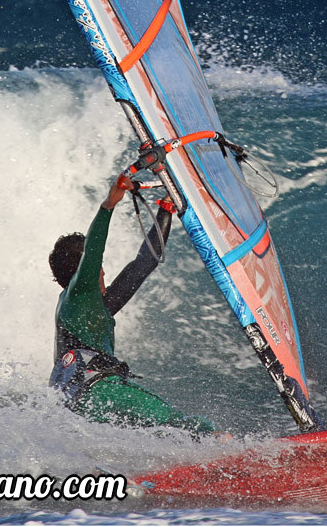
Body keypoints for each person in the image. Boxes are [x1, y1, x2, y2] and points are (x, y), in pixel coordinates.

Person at [47, 174, 216, 435]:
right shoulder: (78, 292)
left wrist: (166, 208)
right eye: (97, 269)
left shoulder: (92, 306)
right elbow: (93, 252)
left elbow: (145, 262)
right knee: (186, 426)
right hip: (100, 392)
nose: (103, 272)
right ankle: (234, 454)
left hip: (72, 406)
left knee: (161, 435)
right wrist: (108, 206)